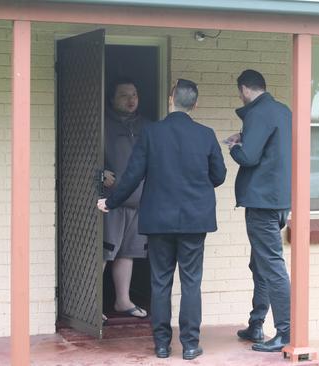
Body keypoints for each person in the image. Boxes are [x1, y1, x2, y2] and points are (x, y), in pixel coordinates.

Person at [97, 79, 226, 361]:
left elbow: (132, 175)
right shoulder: (205, 134)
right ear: (195, 103)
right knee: (191, 283)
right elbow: (219, 175)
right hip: (195, 220)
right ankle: (191, 345)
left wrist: (111, 201)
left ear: (171, 100)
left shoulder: (152, 133)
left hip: (159, 220)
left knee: (161, 283)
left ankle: (162, 345)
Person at [225, 69, 292, 352]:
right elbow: (272, 147)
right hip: (279, 201)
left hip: (262, 202)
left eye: (240, 92)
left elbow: (250, 156)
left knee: (272, 266)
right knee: (260, 264)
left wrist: (234, 146)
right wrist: (245, 134)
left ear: (244, 89)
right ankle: (256, 324)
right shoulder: (282, 110)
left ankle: (285, 332)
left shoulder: (256, 112)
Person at [102, 79, 151, 319]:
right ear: (112, 99)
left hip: (139, 200)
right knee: (104, 252)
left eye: (134, 94)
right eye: (124, 95)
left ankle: (123, 301)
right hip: (111, 201)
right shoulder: (100, 123)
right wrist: (98, 173)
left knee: (127, 252)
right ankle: (91, 305)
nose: (131, 99)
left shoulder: (148, 126)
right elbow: (78, 152)